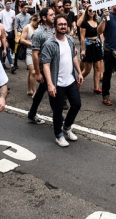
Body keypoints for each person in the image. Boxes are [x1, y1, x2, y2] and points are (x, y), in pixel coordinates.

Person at [41, 16, 84, 147]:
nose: (63, 26)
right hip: (56, 83)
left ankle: (67, 127)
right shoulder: (49, 44)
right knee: (58, 111)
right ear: (55, 26)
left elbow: (73, 57)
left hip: (70, 80)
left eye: (65, 24)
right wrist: (50, 84)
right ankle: (59, 135)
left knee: (77, 104)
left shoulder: (70, 40)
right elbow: (46, 65)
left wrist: (79, 72)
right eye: (60, 24)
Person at [27, 7, 56, 124]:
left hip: (55, 65)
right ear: (44, 18)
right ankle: (58, 116)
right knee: (52, 90)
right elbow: (35, 54)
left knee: (41, 91)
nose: (54, 16)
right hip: (45, 67)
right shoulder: (38, 33)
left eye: (54, 14)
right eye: (51, 15)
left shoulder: (54, 29)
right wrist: (38, 73)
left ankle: (32, 113)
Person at [78, 4, 103, 94]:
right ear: (86, 12)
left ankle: (96, 88)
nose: (92, 12)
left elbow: (100, 33)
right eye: (90, 10)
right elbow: (82, 37)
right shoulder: (84, 23)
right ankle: (76, 83)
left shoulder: (97, 20)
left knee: (97, 68)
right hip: (88, 47)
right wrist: (83, 49)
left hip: (96, 46)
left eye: (94, 10)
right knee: (87, 70)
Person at [20, 14, 40, 96]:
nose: (38, 24)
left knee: (31, 73)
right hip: (28, 51)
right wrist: (32, 44)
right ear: (33, 20)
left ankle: (29, 90)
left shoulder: (39, 28)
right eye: (37, 22)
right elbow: (22, 40)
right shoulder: (27, 27)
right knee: (33, 72)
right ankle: (35, 92)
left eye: (39, 23)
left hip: (37, 52)